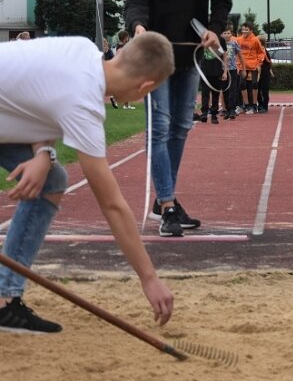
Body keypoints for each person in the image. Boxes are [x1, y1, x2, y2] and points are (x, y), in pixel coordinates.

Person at [0, 33, 175, 333]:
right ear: (146, 86)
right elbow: (112, 205)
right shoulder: (84, 104)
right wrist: (149, 278)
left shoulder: (82, 49)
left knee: (52, 178)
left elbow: (35, 96)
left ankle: (4, 299)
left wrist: (44, 152)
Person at [124, 0, 232, 236]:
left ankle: (163, 199)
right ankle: (168, 205)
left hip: (190, 55)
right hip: (155, 57)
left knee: (182, 126)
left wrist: (215, 30)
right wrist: (138, 26)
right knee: (159, 127)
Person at [236, 24, 263, 115]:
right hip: (242, 66)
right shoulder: (239, 39)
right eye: (243, 29)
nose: (244, 31)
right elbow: (236, 53)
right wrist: (238, 64)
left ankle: (254, 105)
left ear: (251, 30)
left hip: (253, 65)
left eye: (246, 30)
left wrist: (258, 63)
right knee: (242, 84)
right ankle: (246, 105)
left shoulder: (255, 40)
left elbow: (261, 52)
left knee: (255, 84)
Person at [220, 24, 245, 120]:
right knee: (225, 91)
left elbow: (241, 56)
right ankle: (226, 109)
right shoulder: (219, 44)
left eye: (228, 33)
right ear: (221, 34)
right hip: (222, 70)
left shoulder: (234, 43)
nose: (226, 35)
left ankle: (232, 110)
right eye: (224, 33)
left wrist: (243, 68)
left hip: (233, 70)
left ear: (231, 34)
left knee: (232, 90)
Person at [257, 36, 273, 113]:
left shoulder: (264, 51)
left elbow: (269, 62)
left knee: (264, 90)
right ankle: (259, 104)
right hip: (257, 72)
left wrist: (270, 71)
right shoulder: (256, 50)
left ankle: (264, 106)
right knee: (257, 89)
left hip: (264, 72)